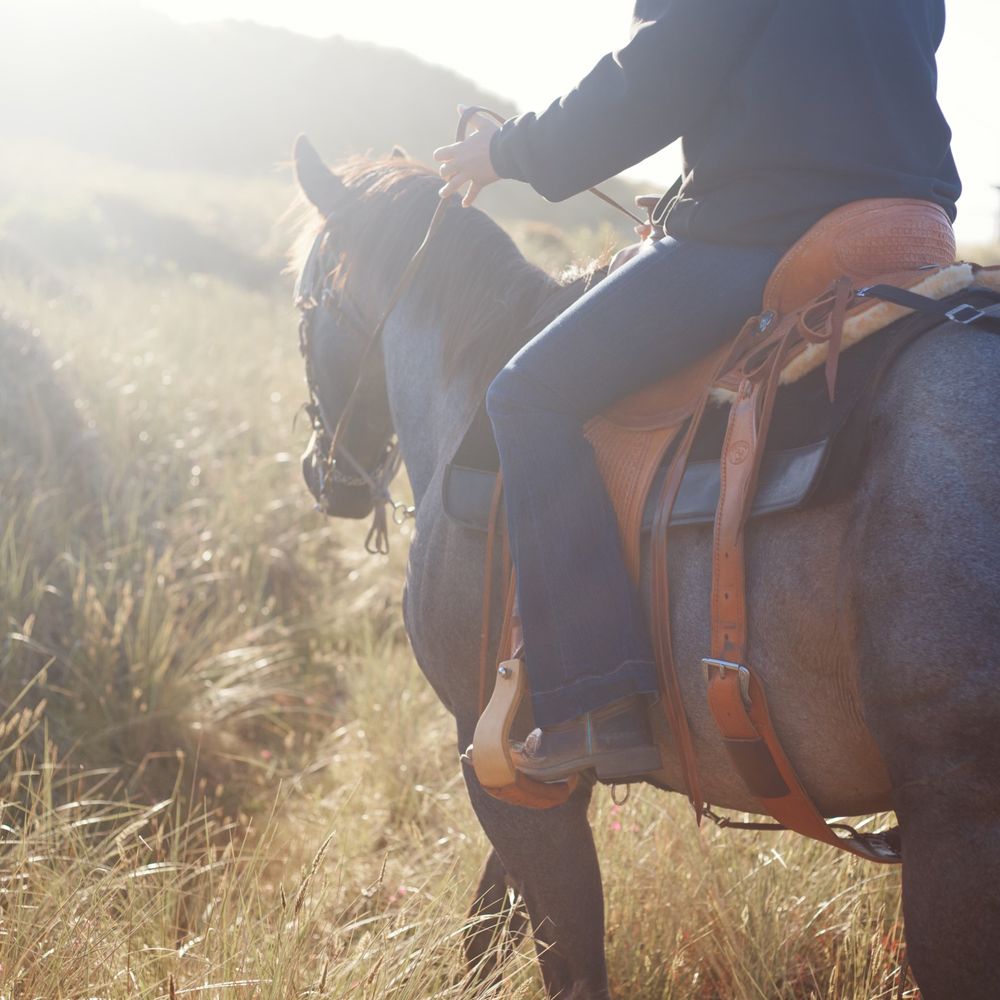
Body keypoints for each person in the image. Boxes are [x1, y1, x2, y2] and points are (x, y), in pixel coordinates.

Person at [433, 0, 960, 784]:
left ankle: (596, 703)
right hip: (914, 225)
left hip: (768, 229)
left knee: (528, 395)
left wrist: (505, 151)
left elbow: (654, 74)